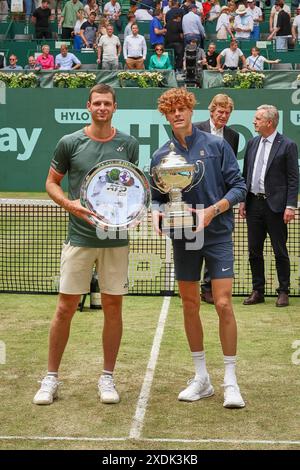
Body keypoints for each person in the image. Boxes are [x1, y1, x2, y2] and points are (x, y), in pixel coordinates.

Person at [33, 84, 139, 406]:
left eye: (107, 103)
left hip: (116, 240)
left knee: (113, 308)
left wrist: (132, 215)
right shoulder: (70, 142)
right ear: (88, 106)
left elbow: (132, 188)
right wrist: (71, 205)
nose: (102, 108)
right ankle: (50, 377)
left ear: (115, 107)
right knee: (65, 308)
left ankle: (107, 376)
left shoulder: (128, 144)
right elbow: (51, 182)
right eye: (97, 103)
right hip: (79, 236)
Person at [151, 88, 247, 408]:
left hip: (217, 233)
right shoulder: (161, 156)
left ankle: (230, 381)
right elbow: (157, 195)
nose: (178, 114)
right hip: (184, 237)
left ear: (191, 111)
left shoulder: (217, 145)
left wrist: (212, 211)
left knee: (222, 304)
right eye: (171, 110)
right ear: (166, 116)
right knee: (189, 304)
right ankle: (202, 377)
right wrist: (155, 210)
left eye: (182, 108)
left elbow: (239, 187)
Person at [240, 105, 299, 307]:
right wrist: (242, 200)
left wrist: (291, 206)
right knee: (254, 250)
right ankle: (258, 291)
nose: (254, 121)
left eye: (257, 119)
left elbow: (293, 179)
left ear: (269, 122)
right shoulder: (252, 143)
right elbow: (245, 174)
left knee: (280, 250)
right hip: (253, 203)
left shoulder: (288, 145)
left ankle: (283, 291)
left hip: (276, 206)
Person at [194, 94, 240, 304]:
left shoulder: (233, 135)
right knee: (195, 239)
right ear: (211, 111)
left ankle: (209, 287)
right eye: (220, 112)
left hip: (220, 197)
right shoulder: (196, 128)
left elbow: (229, 168)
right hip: (197, 193)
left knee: (216, 240)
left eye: (227, 113)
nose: (223, 116)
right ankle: (193, 284)